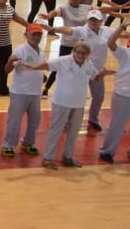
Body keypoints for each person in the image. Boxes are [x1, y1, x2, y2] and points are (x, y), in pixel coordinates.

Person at [22, 41, 98, 169]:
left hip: (79, 104)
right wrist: (33, 67)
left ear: (88, 54)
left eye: (84, 53)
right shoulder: (63, 61)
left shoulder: (88, 64)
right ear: (74, 51)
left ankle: (67, 157)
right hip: (61, 102)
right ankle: (48, 158)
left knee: (73, 132)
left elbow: (96, 77)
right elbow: (47, 65)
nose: (80, 55)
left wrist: (105, 74)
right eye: (78, 52)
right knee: (55, 130)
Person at [0, 23, 47, 158]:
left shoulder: (41, 50)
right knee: (14, 120)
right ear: (27, 34)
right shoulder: (20, 50)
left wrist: (42, 76)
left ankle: (28, 142)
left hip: (36, 92)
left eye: (39, 34)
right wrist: (9, 62)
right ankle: (8, 144)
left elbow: (38, 67)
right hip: (20, 92)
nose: (36, 37)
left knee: (35, 120)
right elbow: (7, 70)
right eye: (34, 34)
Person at [98, 22, 130, 164]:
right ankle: (107, 152)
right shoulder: (124, 53)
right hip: (123, 95)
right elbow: (111, 42)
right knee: (117, 125)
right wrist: (122, 26)